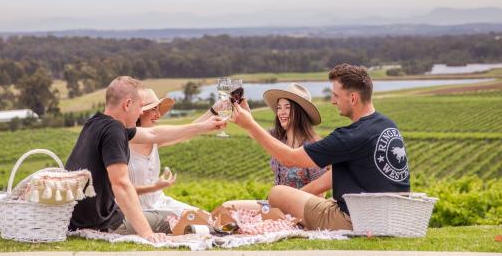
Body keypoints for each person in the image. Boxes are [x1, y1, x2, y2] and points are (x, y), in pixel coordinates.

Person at [232, 64, 410, 231]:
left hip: (357, 219)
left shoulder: (350, 135)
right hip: (391, 217)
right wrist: (294, 198)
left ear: (353, 98)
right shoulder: (387, 125)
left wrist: (249, 125)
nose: (332, 101)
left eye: (336, 95)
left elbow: (290, 158)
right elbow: (333, 176)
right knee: (274, 198)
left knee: (277, 193)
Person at [65, 76, 226, 243]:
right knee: (181, 218)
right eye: (141, 106)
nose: (141, 112)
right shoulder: (114, 130)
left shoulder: (94, 123)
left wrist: (203, 126)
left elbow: (153, 134)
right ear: (127, 104)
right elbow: (121, 184)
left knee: (187, 216)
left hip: (79, 219)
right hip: (102, 223)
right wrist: (147, 234)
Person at [222, 83, 327, 211]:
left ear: (300, 112)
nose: (281, 112)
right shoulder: (278, 137)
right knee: (228, 207)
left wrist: (293, 207)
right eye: (279, 108)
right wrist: (247, 116)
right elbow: (257, 135)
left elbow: (320, 195)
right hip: (275, 206)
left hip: (300, 209)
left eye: (287, 107)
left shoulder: (312, 146)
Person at [128, 88, 198, 217]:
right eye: (154, 109)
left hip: (160, 203)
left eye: (158, 109)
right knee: (188, 221)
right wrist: (154, 186)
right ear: (139, 113)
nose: (159, 115)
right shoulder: (119, 144)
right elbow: (117, 190)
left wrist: (214, 111)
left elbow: (189, 130)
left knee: (203, 216)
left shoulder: (155, 141)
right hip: (136, 210)